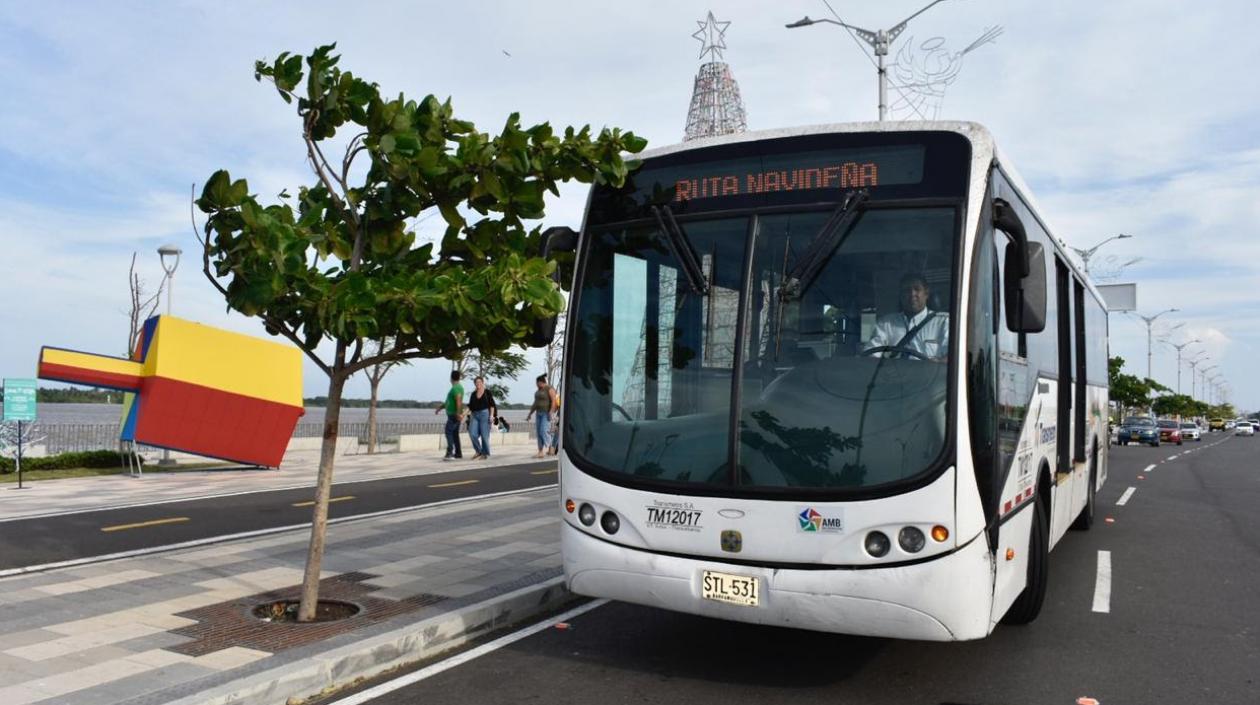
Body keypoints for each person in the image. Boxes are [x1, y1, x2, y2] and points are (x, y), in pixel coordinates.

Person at [864, 271, 950, 360]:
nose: (912, 294)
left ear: (926, 293)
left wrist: (936, 363)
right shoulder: (885, 324)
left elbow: (953, 357)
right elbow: (870, 357)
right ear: (901, 295)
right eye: (907, 290)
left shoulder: (944, 322)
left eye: (917, 289)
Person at [525, 374, 560, 459]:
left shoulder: (549, 389)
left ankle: (551, 445)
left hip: (546, 413)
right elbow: (535, 404)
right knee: (539, 433)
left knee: (543, 430)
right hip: (538, 413)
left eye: (537, 383)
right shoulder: (537, 392)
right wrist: (530, 414)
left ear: (540, 382)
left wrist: (551, 412)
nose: (536, 385)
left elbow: (553, 402)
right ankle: (540, 452)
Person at [434, 370, 464, 460]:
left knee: (448, 432)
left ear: (451, 378)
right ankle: (458, 453)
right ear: (459, 377)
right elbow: (449, 401)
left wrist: (458, 414)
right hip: (454, 414)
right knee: (455, 434)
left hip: (454, 415)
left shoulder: (455, 388)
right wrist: (441, 407)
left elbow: (458, 401)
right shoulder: (458, 387)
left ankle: (449, 453)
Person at [466, 376, 497, 460]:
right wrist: (463, 414)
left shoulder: (487, 392)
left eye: (479, 382)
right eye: (476, 382)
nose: (478, 384)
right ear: (475, 384)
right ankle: (478, 451)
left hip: (484, 414)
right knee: (472, 433)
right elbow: (470, 406)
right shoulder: (473, 394)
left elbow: (492, 405)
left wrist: (491, 416)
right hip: (474, 415)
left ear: (483, 383)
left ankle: (484, 453)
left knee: (484, 435)